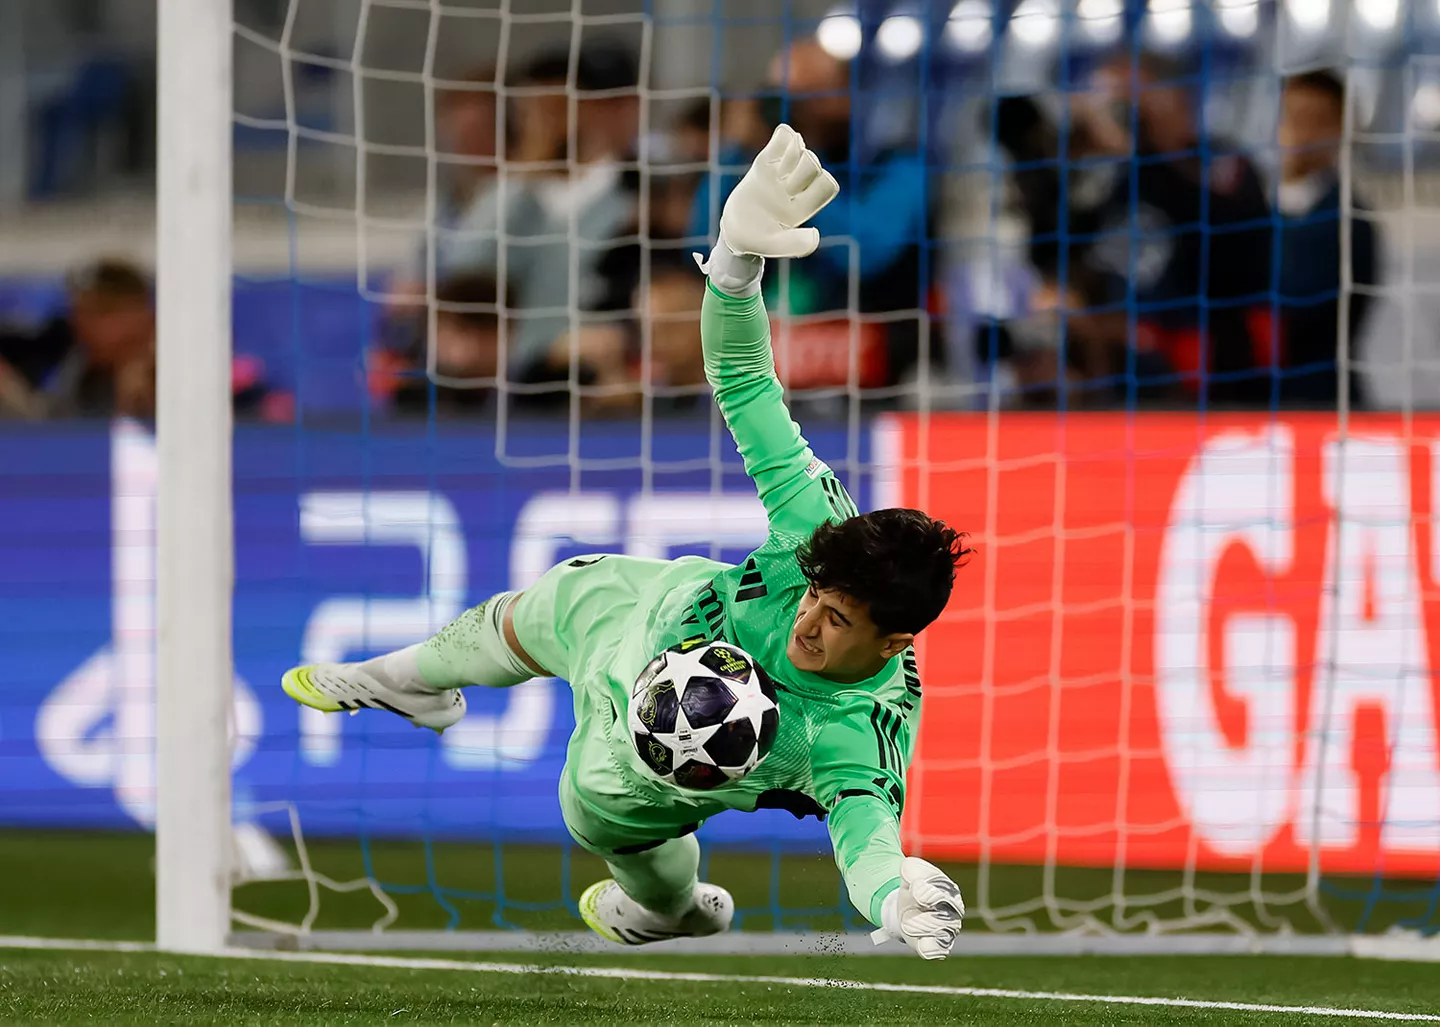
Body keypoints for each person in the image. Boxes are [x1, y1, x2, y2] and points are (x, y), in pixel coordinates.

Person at [282, 125, 970, 959]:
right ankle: (406, 682)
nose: (808, 622)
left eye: (836, 621)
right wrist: (734, 265)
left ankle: (670, 908)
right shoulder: (817, 529)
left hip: (639, 760)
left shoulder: (857, 728)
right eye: (816, 599)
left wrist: (894, 897)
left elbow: (866, 835)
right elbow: (747, 381)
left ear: (893, 641)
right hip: (649, 609)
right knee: (558, 596)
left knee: (599, 817)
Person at [1276, 69, 1378, 406]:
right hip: (1255, 401)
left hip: (1321, 401)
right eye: (1293, 116)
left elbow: (1306, 314)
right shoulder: (1251, 206)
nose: (1302, 132)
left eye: (1317, 120)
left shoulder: (1350, 218)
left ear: (1340, 130)